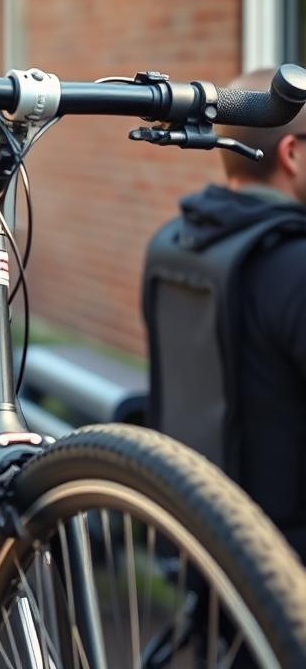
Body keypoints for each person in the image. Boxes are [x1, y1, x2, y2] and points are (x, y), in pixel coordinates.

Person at [143, 67, 306, 560]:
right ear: (292, 154)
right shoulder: (292, 264)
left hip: (199, 533)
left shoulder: (174, 242)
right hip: (282, 565)